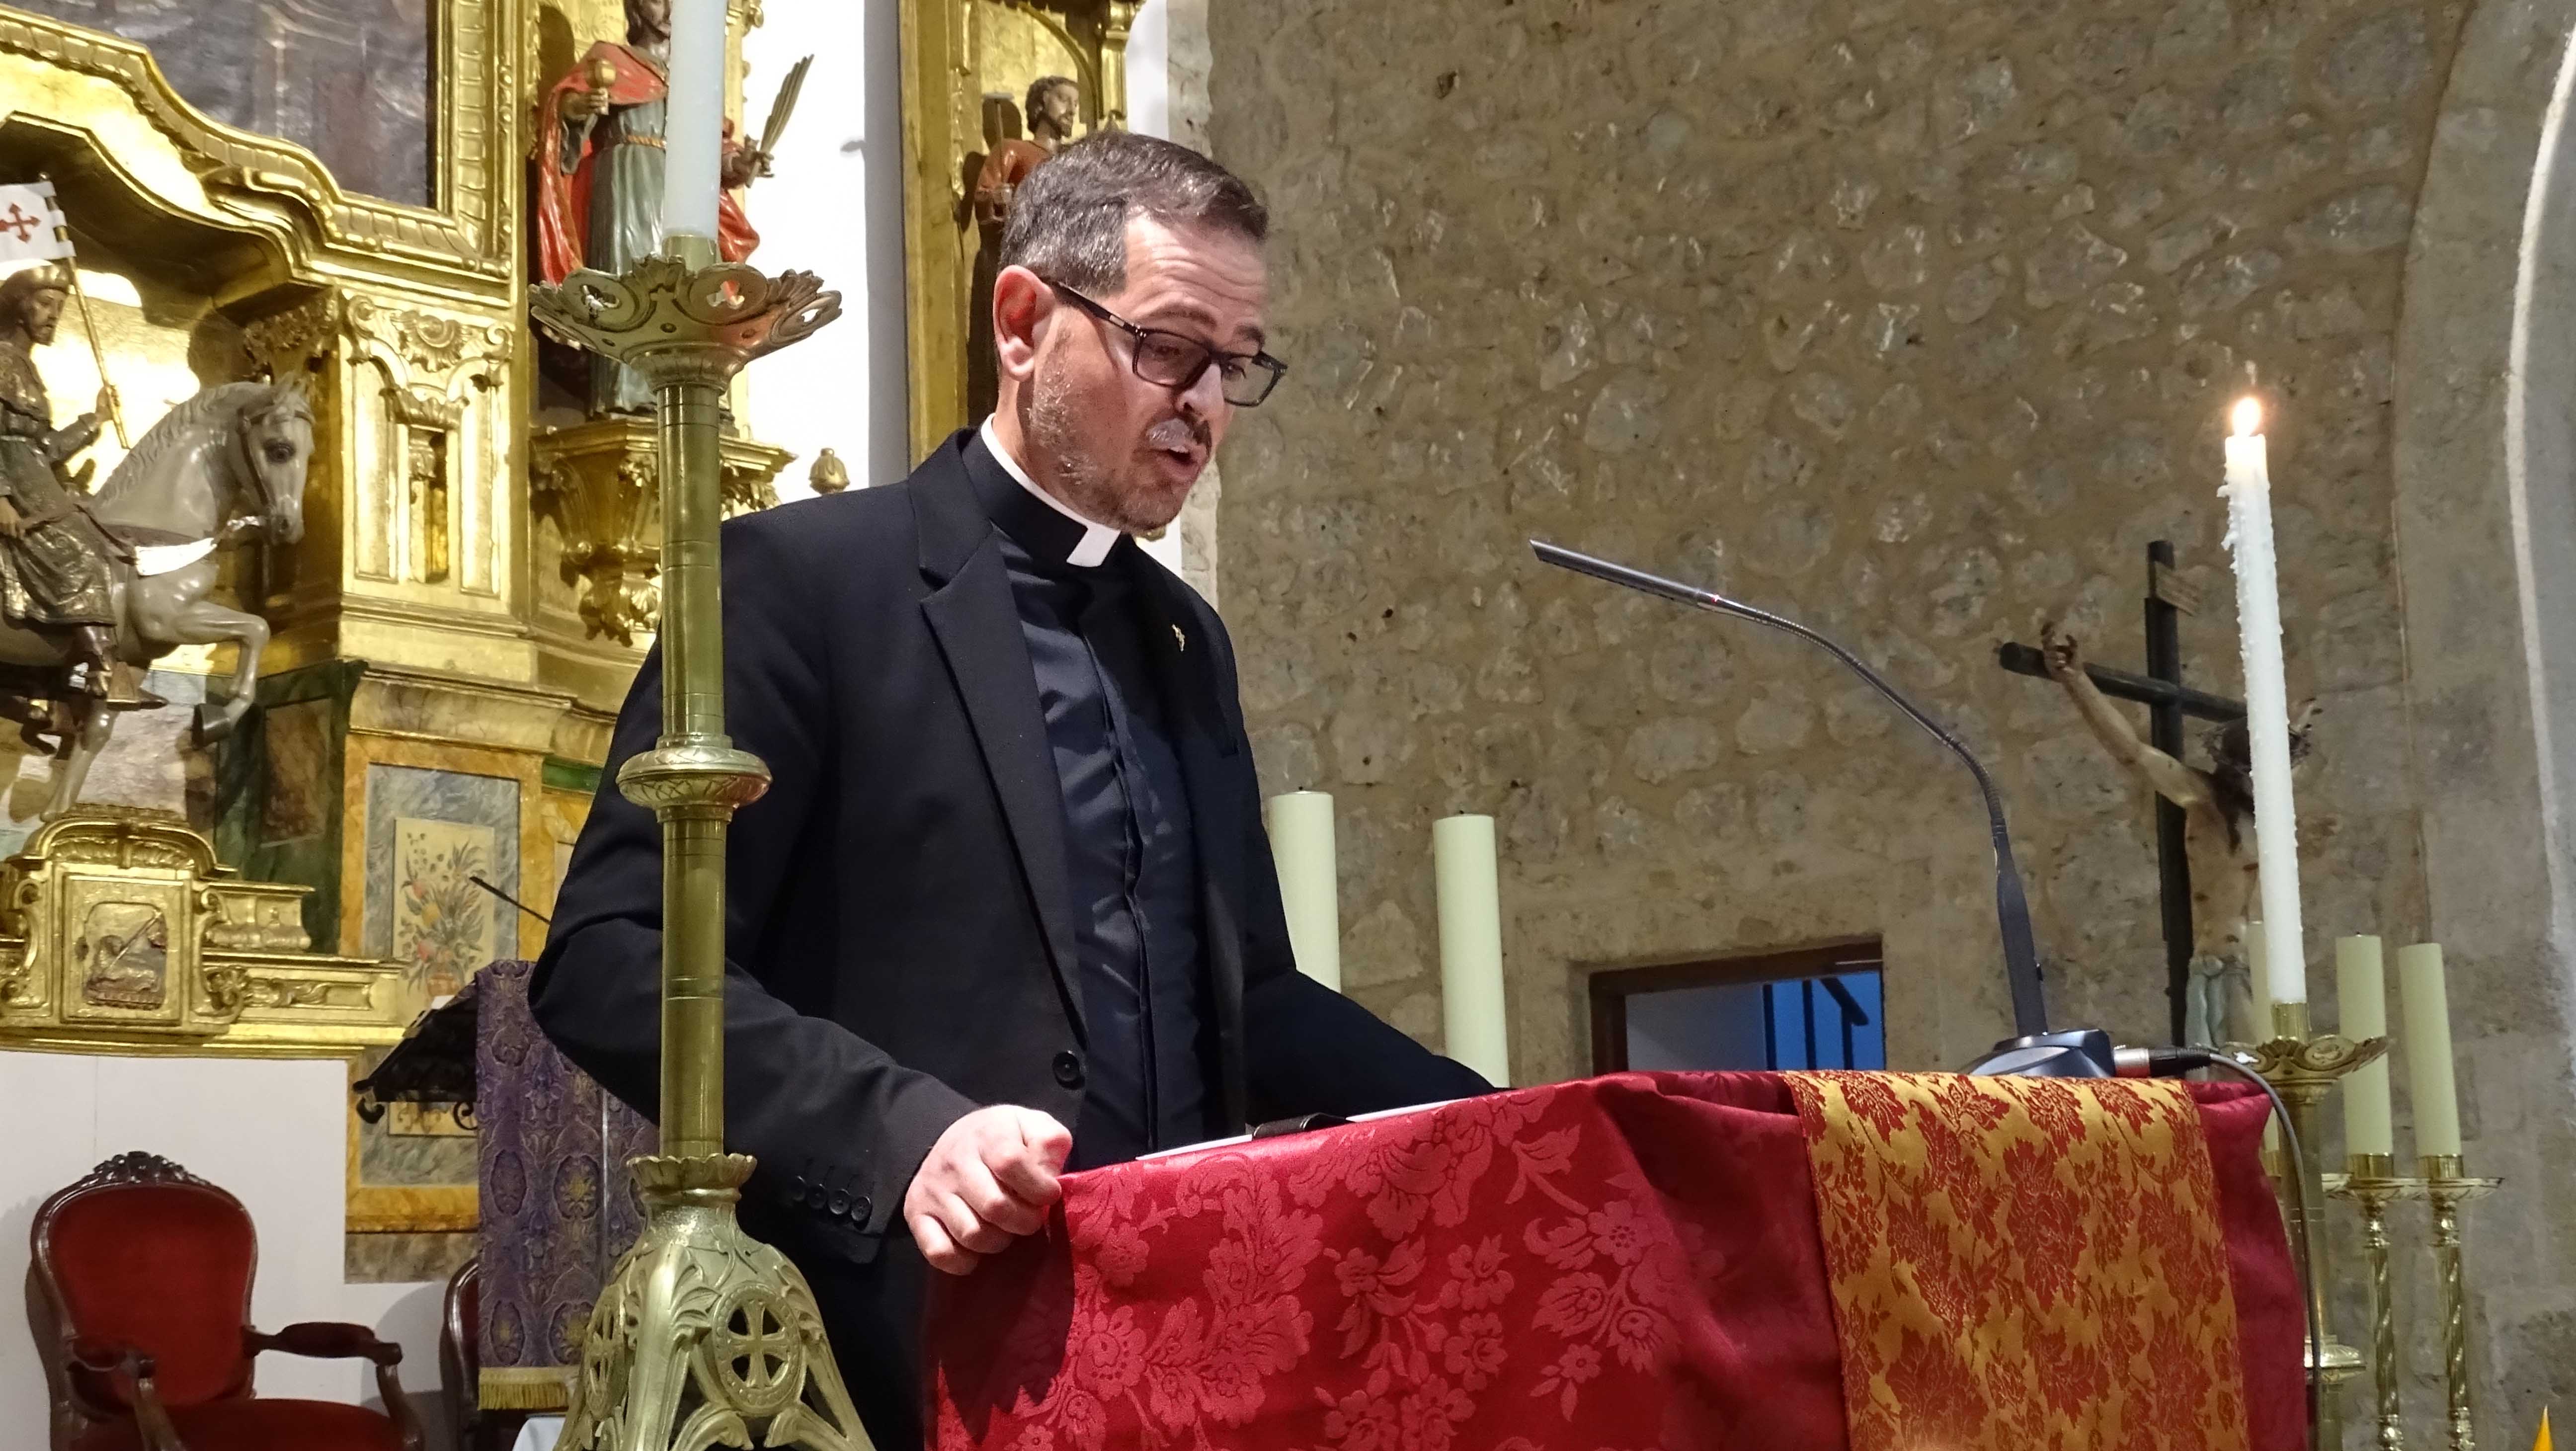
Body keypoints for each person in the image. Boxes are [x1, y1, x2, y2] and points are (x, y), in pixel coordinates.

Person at [534, 132, 1490, 1449]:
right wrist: (904, 1133)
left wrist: (1487, 1118)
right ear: (1026, 320)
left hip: (1179, 1343)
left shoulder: (1181, 639)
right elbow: (611, 960)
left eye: (1236, 365)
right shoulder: (800, 587)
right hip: (897, 1354)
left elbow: (1242, 999)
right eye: (1169, 349)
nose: (1205, 405)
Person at [2042, 625, 2319, 1046]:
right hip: (2227, 969)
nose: (2285, 773)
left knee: (2286, 1100)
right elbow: (2133, 754)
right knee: (2238, 1099)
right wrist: (2078, 682)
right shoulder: (2207, 804)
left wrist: (2292, 727)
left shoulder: (2270, 818)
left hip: (2274, 977)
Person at [535, 0, 764, 414]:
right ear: (638, 8)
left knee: (693, 282)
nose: (672, 9)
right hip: (628, 176)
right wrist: (578, 110)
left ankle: (692, 392)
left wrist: (739, 164)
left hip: (684, 187)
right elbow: (566, 112)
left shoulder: (691, 77)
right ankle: (627, 393)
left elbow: (716, 151)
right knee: (633, 274)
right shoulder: (611, 58)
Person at [0, 266, 153, 711]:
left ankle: (56, 673)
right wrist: (2, 496)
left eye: (60, 308)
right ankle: (104, 669)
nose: (53, 316)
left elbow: (40, 447)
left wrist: (96, 419)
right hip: (14, 482)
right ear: (17, 305)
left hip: (33, 477)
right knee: (76, 549)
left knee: (96, 537)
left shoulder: (24, 368)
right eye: (45, 304)